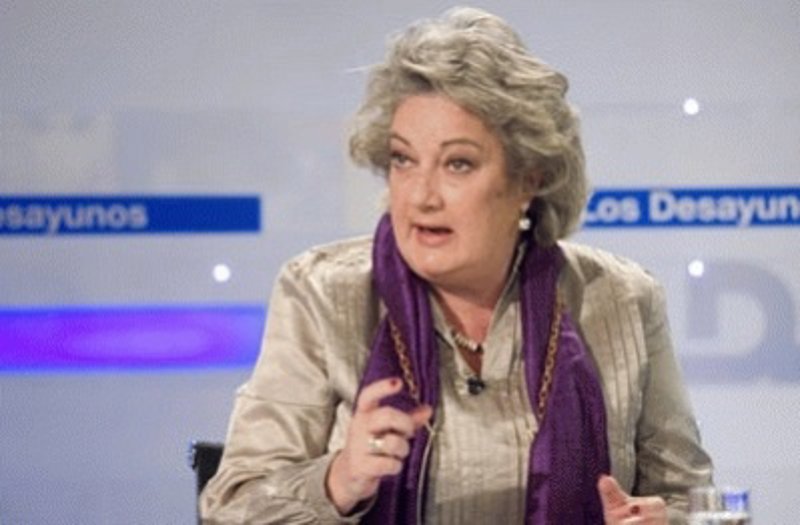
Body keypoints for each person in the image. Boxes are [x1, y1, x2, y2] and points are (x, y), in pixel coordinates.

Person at [200, 6, 713, 524]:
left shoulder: (622, 299)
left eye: (458, 164)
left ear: (529, 179)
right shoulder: (322, 293)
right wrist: (339, 480)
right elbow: (233, 506)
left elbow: (693, 501)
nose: (421, 196)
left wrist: (664, 521)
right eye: (403, 159)